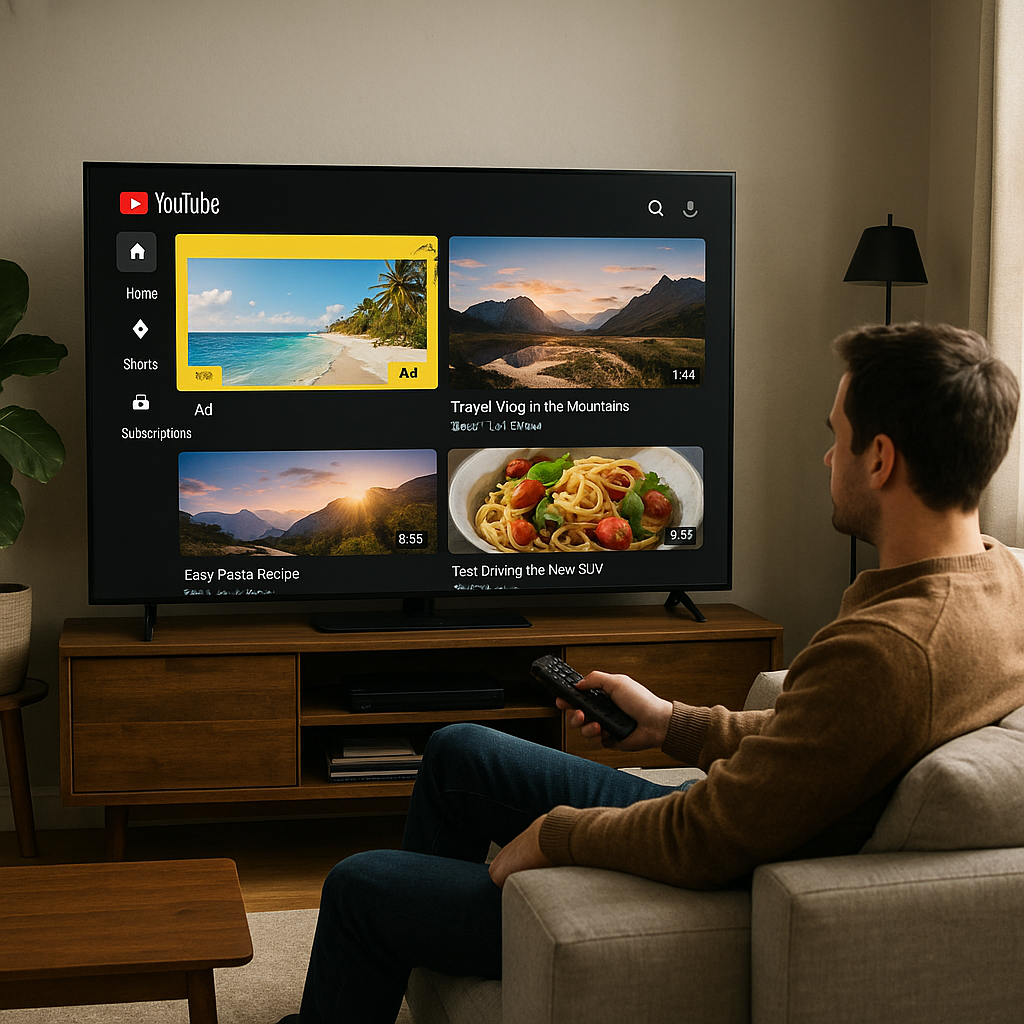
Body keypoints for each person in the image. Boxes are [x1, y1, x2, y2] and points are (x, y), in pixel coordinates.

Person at [279, 322, 1024, 1024]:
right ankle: (427, 943)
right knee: (458, 750)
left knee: (358, 885)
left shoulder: (892, 649)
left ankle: (415, 931)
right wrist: (673, 721)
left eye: (837, 438)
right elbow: (828, 735)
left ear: (883, 459)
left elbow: (708, 835)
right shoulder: (996, 579)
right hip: (761, 809)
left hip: (713, 867)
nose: (828, 458)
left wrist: (560, 835)